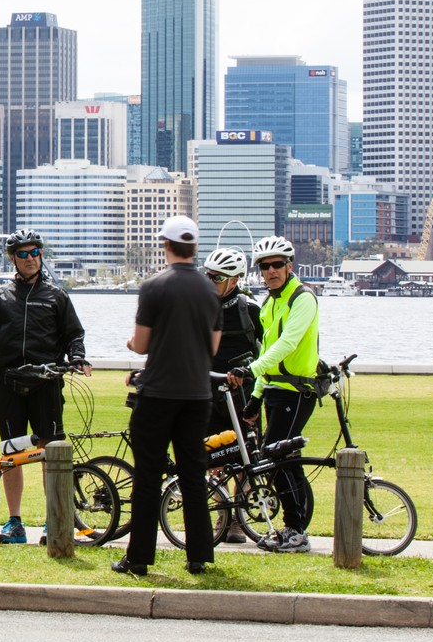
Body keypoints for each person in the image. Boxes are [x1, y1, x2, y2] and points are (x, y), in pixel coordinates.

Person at [0, 227, 92, 545]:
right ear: (13, 258)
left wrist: (78, 358)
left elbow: (74, 335)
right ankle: (14, 523)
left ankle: (53, 521)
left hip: (47, 384)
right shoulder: (0, 297)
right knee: (11, 452)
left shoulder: (57, 296)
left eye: (35, 253)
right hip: (9, 384)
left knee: (49, 451)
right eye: (24, 254)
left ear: (41, 255)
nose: (31, 259)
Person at [112, 215, 221, 577]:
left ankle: (139, 557)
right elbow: (214, 346)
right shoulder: (210, 290)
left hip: (158, 394)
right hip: (197, 395)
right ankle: (199, 555)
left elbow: (141, 344)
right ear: (194, 247)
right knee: (193, 475)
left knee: (148, 475)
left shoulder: (154, 286)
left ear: (167, 245)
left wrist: (131, 342)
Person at [228, 235, 320, 554]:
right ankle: (296, 526)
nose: (271, 271)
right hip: (275, 392)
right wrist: (255, 397)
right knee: (283, 457)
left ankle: (296, 530)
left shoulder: (302, 298)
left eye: (277, 265)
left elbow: (287, 344)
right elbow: (266, 350)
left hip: (297, 391)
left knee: (274, 455)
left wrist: (251, 370)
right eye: (265, 267)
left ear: (289, 265)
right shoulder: (270, 303)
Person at [202, 247, 262, 437]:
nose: (210, 282)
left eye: (217, 278)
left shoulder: (250, 310)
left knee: (247, 461)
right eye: (208, 276)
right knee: (212, 459)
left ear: (234, 280)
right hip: (209, 394)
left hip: (242, 396)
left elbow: (268, 351)